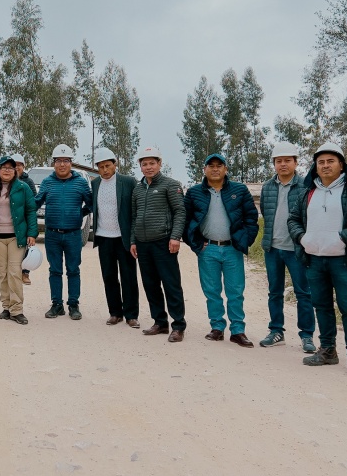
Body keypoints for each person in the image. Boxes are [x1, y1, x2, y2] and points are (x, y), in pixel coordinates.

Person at [288, 142, 347, 378]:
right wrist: (302, 238)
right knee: (322, 306)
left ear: (341, 165)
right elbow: (293, 219)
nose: (325, 165)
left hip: (344, 260)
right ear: (315, 167)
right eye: (321, 162)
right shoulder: (307, 192)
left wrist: (343, 238)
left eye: (331, 161)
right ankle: (328, 350)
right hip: (315, 260)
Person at [184, 153, 259, 347]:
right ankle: (217, 327)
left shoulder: (239, 190)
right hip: (208, 249)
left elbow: (251, 217)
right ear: (204, 169)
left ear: (226, 169)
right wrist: (196, 243)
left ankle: (238, 330)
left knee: (235, 291)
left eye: (219, 165)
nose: (215, 169)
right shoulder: (194, 192)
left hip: (232, 248)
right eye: (211, 166)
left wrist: (245, 240)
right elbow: (186, 220)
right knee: (212, 291)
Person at [258, 142, 316, 352]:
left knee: (303, 293)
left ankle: (307, 335)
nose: (283, 164)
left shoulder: (306, 186)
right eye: (279, 161)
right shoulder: (267, 187)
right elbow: (265, 212)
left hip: (297, 249)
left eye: (287, 160)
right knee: (274, 292)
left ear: (296, 162)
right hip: (272, 248)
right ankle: (276, 331)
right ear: (274, 164)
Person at [130, 146, 187, 342]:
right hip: (143, 244)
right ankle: (160, 322)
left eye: (152, 163)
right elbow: (134, 217)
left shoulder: (171, 185)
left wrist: (175, 237)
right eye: (144, 164)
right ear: (140, 166)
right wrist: (133, 241)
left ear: (160, 164)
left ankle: (178, 325)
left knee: (171, 284)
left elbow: (180, 212)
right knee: (150, 284)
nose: (148, 167)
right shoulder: (137, 189)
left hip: (164, 242)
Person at [0, 156, 38, 325]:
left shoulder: (23, 188)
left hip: (16, 237)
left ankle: (17, 310)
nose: (8, 170)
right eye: (4, 167)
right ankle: (6, 307)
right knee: (2, 273)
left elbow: (31, 211)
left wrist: (32, 233)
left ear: (15, 171)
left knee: (14, 272)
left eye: (11, 168)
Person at [34, 144, 92, 320]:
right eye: (58, 160)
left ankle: (73, 305)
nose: (62, 164)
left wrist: (79, 214)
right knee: (55, 270)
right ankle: (57, 305)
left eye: (66, 161)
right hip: (52, 234)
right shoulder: (47, 182)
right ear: (53, 163)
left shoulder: (81, 183)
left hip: (73, 234)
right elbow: (36, 203)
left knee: (73, 270)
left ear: (71, 163)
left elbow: (90, 204)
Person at [91, 147, 140, 328]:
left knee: (128, 276)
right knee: (109, 276)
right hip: (104, 237)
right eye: (101, 167)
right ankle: (115, 313)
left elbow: (136, 209)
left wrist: (134, 238)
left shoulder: (128, 182)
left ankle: (131, 315)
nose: (105, 170)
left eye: (107, 166)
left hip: (123, 238)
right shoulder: (95, 183)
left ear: (115, 164)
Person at [12, 153, 37, 285]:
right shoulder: (6, 180)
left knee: (26, 248)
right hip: (11, 221)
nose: (17, 167)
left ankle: (25, 273)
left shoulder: (29, 182)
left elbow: (34, 200)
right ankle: (14, 273)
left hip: (24, 221)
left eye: (19, 165)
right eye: (14, 165)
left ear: (23, 166)